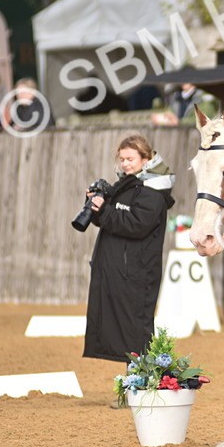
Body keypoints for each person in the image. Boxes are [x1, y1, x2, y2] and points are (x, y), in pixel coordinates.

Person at [83, 134, 175, 363]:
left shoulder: (152, 192)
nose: (125, 164)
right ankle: (135, 379)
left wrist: (105, 210)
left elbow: (137, 224)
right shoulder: (127, 186)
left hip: (135, 273)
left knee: (135, 329)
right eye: (122, 159)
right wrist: (96, 207)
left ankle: (142, 379)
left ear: (146, 159)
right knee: (123, 328)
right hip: (121, 271)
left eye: (130, 159)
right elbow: (110, 221)